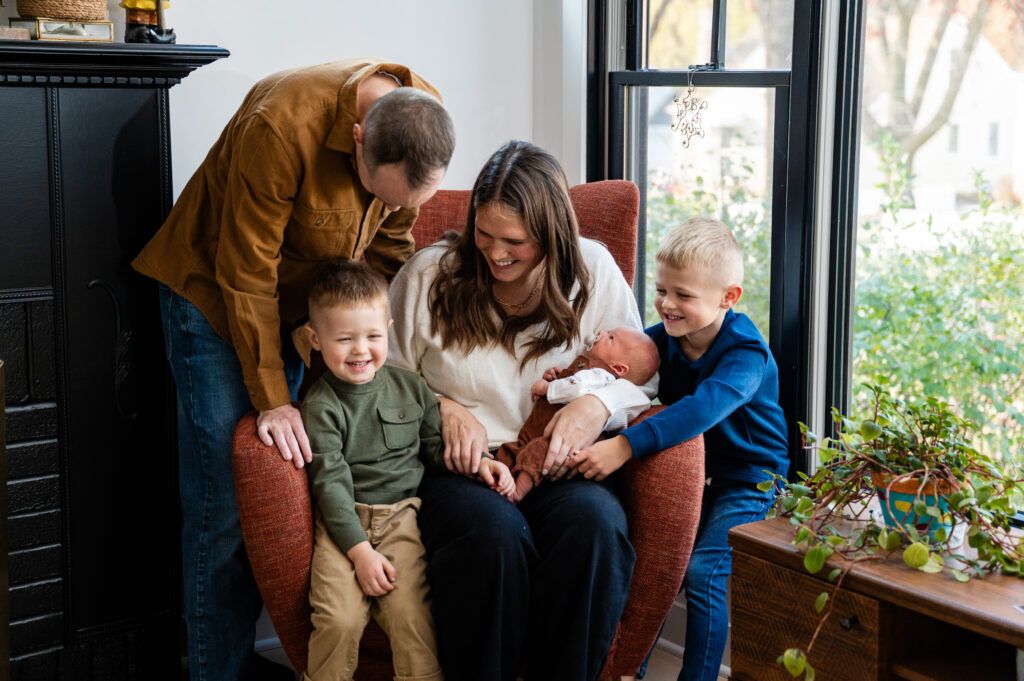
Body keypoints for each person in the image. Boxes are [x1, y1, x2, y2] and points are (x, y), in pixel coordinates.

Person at [131, 58, 455, 681]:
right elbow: (246, 276)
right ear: (359, 138)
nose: (392, 209)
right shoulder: (280, 128)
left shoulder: (421, 117)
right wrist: (274, 399)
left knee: (303, 483)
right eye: (383, 196)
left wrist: (377, 345)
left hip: (311, 315)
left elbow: (391, 251)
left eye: (404, 203)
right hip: (215, 299)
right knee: (225, 504)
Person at [387, 139, 655, 681]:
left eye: (515, 241)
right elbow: (380, 379)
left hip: (557, 461)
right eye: (484, 234)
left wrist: (597, 404)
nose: (496, 253)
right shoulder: (428, 275)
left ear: (552, 235)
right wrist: (440, 405)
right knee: (493, 536)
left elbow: (645, 379)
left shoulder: (594, 270)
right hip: (462, 466)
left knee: (596, 527)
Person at [573, 217, 789, 681]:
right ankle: (628, 669)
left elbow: (699, 410)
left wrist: (624, 447)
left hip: (750, 480)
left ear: (728, 297)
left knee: (703, 572)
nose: (667, 304)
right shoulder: (660, 340)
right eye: (661, 290)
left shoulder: (745, 354)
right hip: (697, 475)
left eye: (683, 295)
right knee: (657, 564)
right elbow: (618, 375)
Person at [299, 260, 512, 681]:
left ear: (389, 330)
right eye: (344, 339)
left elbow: (435, 449)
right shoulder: (321, 405)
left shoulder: (411, 388)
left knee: (412, 616)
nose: (361, 350)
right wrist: (360, 552)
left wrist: (482, 464)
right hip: (343, 524)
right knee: (339, 620)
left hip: (402, 520)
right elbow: (330, 485)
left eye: (373, 336)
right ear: (315, 339)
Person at [496, 326, 659, 503]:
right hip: (539, 432)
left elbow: (577, 388)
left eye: (611, 338)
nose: (601, 333)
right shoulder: (588, 370)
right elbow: (572, 382)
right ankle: (498, 476)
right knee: (515, 450)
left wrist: (549, 387)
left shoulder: (601, 375)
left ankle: (517, 492)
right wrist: (557, 376)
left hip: (557, 440)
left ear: (619, 368)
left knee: (536, 454)